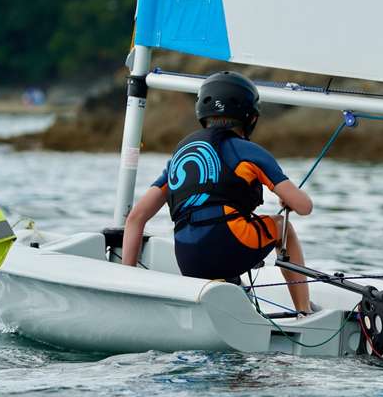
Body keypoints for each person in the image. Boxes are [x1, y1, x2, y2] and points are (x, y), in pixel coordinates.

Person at [121, 71, 312, 314]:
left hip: (188, 259)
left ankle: (230, 294)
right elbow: (304, 207)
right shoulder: (250, 152)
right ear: (251, 117)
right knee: (282, 228)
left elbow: (136, 217)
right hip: (230, 245)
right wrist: (288, 198)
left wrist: (126, 280)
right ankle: (304, 311)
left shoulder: (181, 157)